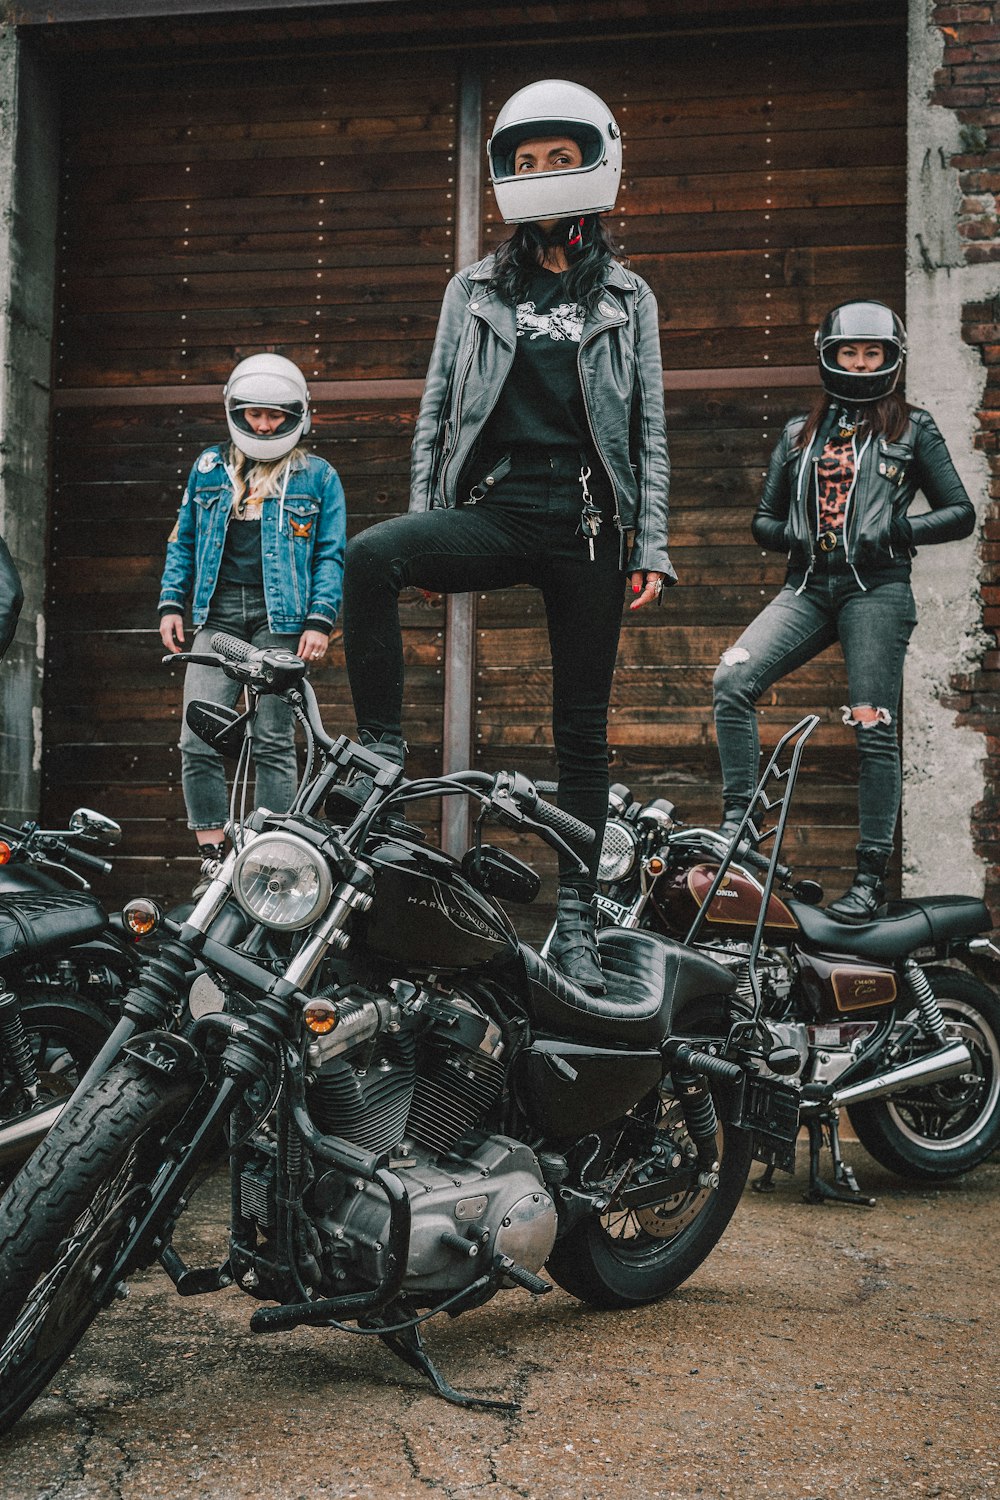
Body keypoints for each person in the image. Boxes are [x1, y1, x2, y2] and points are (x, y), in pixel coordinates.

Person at [342, 79, 674, 993]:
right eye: (524, 162)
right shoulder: (476, 288)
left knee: (581, 731)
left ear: (594, 163)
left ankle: (574, 923)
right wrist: (422, 514)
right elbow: (438, 410)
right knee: (372, 556)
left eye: (557, 159)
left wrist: (652, 544)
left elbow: (647, 426)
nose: (539, 175)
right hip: (498, 506)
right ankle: (377, 754)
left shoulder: (629, 297)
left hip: (591, 523)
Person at [712, 301, 975, 922]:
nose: (860, 364)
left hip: (876, 592)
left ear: (891, 359)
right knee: (731, 678)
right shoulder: (799, 433)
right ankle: (739, 826)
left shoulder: (915, 429)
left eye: (872, 354)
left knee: (872, 725)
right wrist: (796, 533)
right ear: (829, 356)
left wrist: (894, 531)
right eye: (850, 353)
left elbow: (960, 512)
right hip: (806, 587)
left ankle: (867, 879)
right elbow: (763, 522)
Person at [158, 353, 346, 893]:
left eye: (276, 416)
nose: (264, 425)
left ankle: (271, 856)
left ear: (297, 415)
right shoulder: (208, 468)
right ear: (236, 412)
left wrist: (319, 620)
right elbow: (183, 541)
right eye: (254, 414)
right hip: (217, 620)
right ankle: (213, 854)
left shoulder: (318, 476)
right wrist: (172, 604)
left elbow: (331, 555)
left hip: (281, 621)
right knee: (197, 736)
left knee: (272, 738)